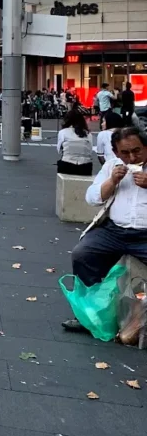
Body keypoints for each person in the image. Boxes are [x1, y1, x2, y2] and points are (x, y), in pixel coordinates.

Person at [63, 127, 147, 333]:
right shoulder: (113, 166)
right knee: (83, 254)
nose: (132, 157)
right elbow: (92, 198)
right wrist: (112, 181)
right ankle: (89, 313)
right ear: (116, 153)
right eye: (125, 153)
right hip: (114, 230)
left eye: (137, 151)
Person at [56, 106, 95, 176]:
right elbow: (90, 150)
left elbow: (59, 150)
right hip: (85, 166)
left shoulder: (63, 132)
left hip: (67, 164)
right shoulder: (88, 134)